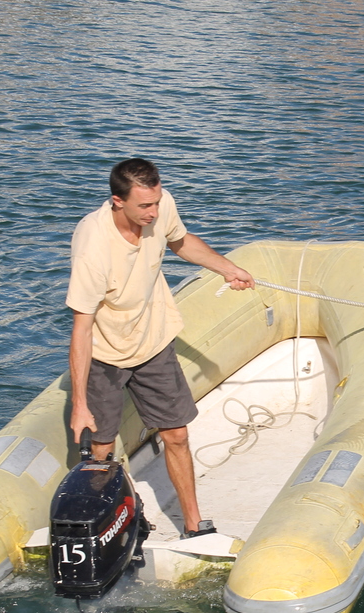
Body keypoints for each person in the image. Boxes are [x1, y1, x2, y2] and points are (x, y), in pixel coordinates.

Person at [66, 157, 253, 537]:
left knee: (177, 434)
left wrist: (227, 268)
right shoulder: (93, 246)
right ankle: (108, 524)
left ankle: (193, 524)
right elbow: (81, 330)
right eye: (144, 206)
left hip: (154, 338)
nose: (153, 212)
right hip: (106, 351)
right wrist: (80, 404)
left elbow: (180, 241)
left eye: (156, 202)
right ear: (118, 201)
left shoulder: (160, 205)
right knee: (102, 448)